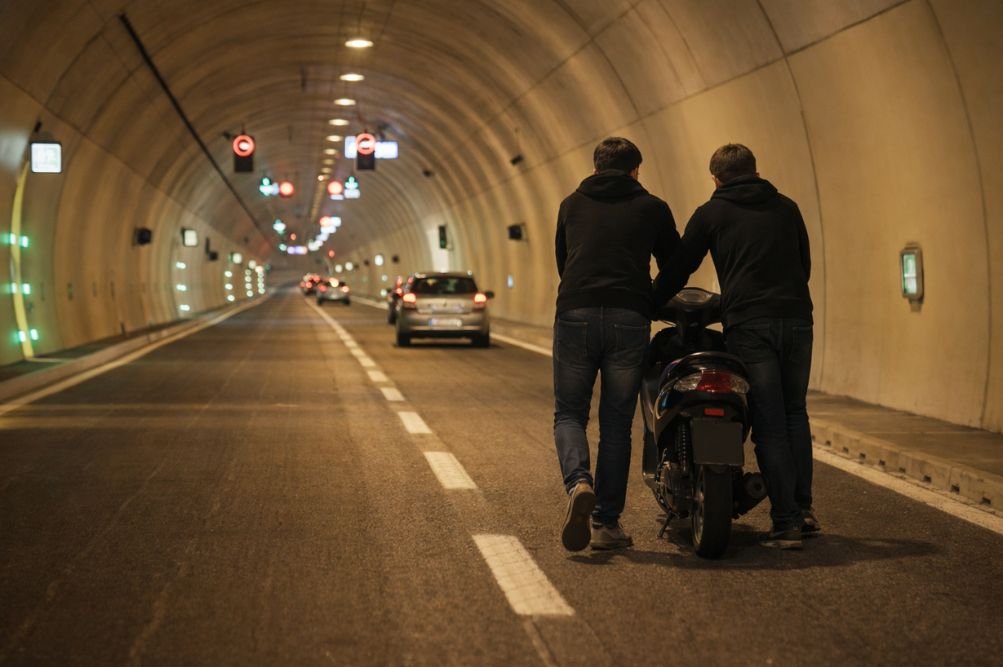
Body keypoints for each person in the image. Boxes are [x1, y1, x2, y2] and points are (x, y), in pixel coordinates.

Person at [653, 143, 816, 550]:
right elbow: (804, 265)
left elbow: (681, 266)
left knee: (769, 421)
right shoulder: (787, 208)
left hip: (750, 324)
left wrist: (651, 301)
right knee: (795, 413)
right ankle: (803, 510)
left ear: (716, 178)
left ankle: (786, 523)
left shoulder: (712, 213)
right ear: (756, 171)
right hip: (797, 319)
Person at [554, 137, 679, 551]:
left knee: (570, 413)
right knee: (616, 423)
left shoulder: (571, 204)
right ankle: (606, 523)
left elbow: (564, 261)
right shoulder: (652, 207)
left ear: (595, 167)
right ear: (635, 170)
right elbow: (676, 263)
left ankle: (579, 482)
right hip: (629, 316)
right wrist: (652, 299)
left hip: (576, 312)